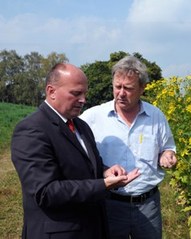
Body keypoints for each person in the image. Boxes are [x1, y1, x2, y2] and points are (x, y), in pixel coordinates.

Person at [11, 63, 140, 239]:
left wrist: (105, 171)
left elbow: (84, 164)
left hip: (91, 228)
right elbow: (45, 192)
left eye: (85, 93)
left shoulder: (81, 126)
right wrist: (103, 184)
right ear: (51, 91)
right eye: (76, 93)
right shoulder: (32, 130)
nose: (83, 100)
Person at [80, 55, 177, 239]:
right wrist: (103, 171)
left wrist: (167, 155)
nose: (121, 93)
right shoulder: (93, 117)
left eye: (128, 88)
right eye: (117, 87)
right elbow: (76, 151)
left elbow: (168, 147)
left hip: (148, 204)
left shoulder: (156, 116)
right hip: (109, 203)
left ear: (142, 88)